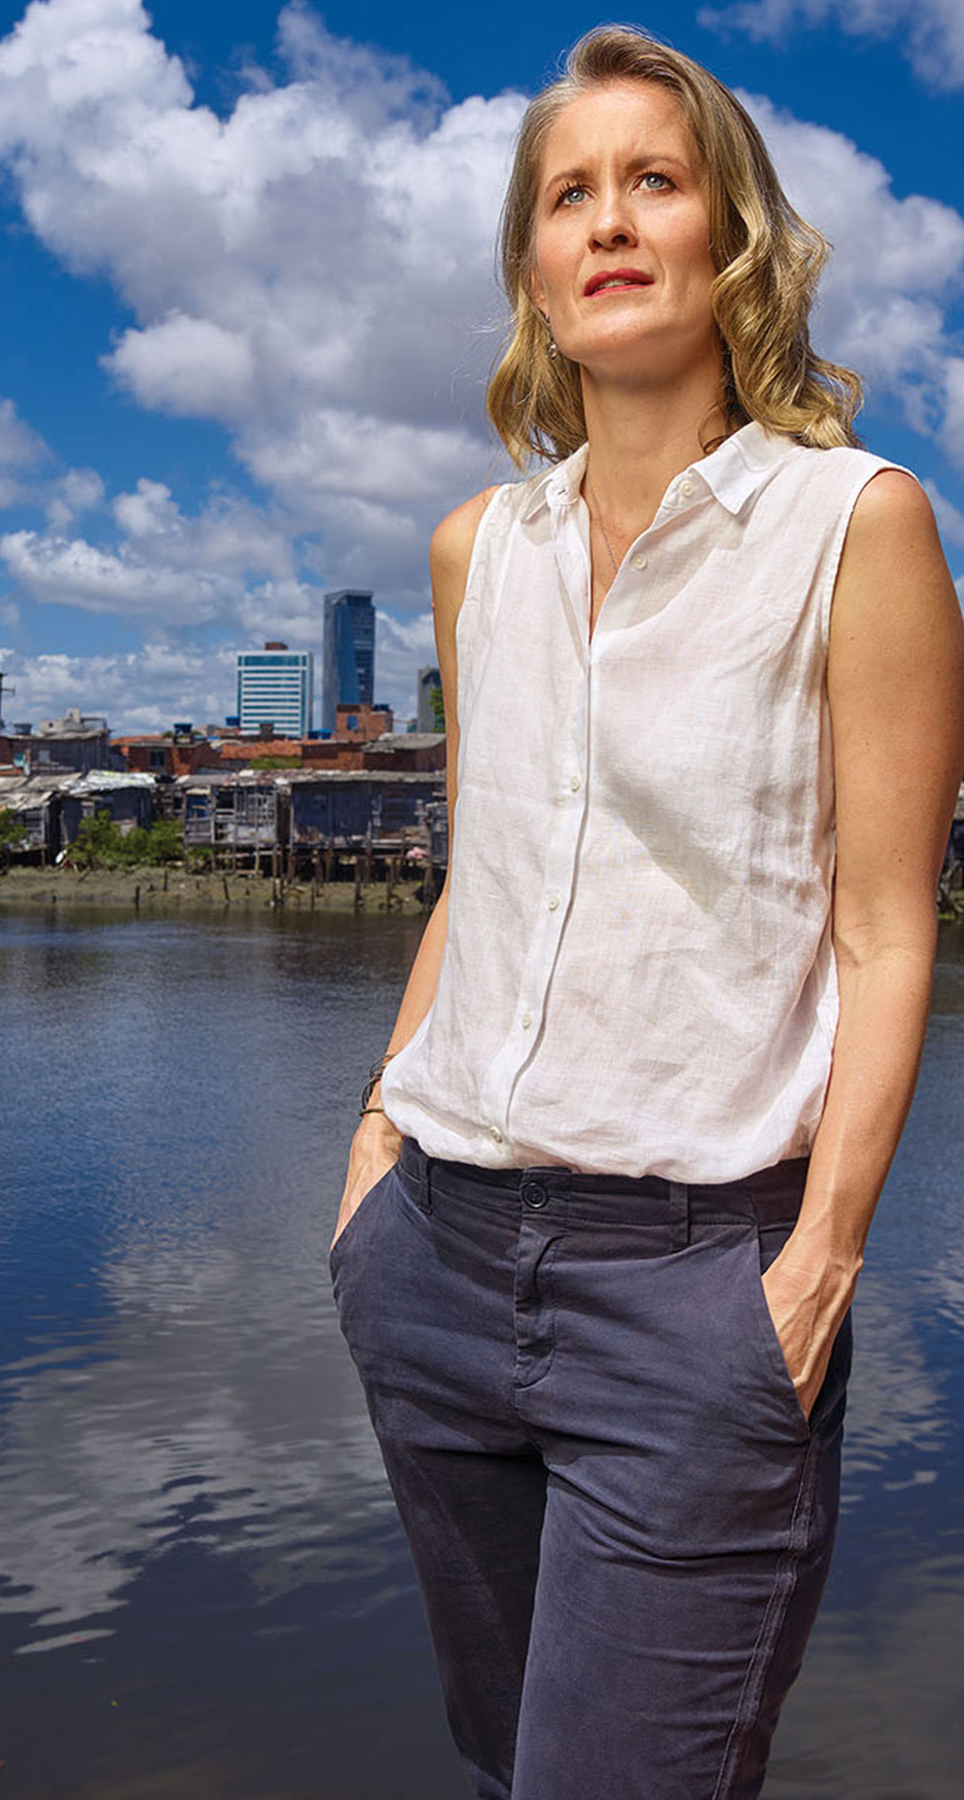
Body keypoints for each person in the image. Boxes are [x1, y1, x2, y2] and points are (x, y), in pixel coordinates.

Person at [328, 25, 964, 1800]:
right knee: (508, 1762)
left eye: (655, 182)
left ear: (729, 235)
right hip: (433, 1265)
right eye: (568, 194)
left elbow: (886, 930)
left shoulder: (863, 526)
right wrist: (375, 1139)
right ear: (533, 264)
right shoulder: (480, 552)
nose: (610, 221)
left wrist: (821, 1261)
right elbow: (481, 870)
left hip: (697, 1296)